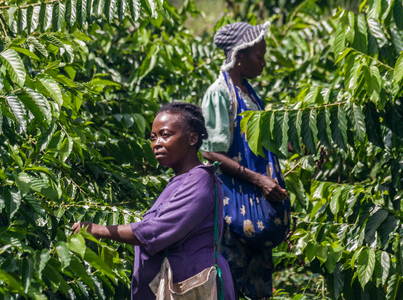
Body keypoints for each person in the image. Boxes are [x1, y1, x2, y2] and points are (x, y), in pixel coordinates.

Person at [72, 102, 236, 300]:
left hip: (193, 285)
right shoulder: (178, 181)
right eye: (153, 137)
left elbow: (155, 230)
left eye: (165, 135)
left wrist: (98, 230)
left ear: (192, 138)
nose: (157, 143)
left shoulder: (200, 179)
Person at [200, 22, 291, 299]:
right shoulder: (220, 93)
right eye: (259, 56)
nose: (264, 63)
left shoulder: (250, 94)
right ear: (239, 56)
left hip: (257, 205)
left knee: (260, 289)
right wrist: (258, 179)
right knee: (230, 285)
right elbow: (210, 152)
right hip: (233, 206)